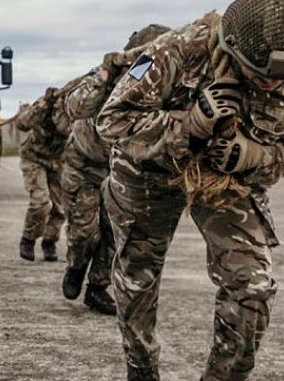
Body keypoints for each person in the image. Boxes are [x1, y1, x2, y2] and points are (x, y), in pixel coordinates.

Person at [97, 0, 284, 381]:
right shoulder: (179, 51)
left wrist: (255, 156)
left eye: (278, 78)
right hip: (152, 169)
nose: (268, 83)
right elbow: (114, 121)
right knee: (138, 271)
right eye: (257, 72)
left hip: (229, 179)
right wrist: (189, 123)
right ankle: (141, 360)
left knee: (254, 283)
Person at [59, 24, 169, 314]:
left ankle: (97, 288)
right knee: (85, 232)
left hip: (119, 169)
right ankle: (76, 265)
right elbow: (75, 107)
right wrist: (104, 76)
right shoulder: (109, 76)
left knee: (113, 234)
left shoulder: (164, 82)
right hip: (83, 165)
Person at [15, 88, 67, 262]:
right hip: (34, 158)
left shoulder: (77, 111)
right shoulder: (45, 108)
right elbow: (22, 123)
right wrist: (44, 103)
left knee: (60, 208)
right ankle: (28, 239)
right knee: (41, 203)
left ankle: (49, 242)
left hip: (58, 161)